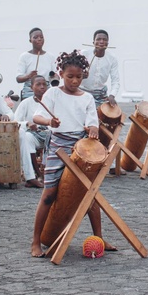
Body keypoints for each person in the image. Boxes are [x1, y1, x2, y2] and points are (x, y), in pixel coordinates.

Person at [30, 50, 113, 258]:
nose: (75, 81)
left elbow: (92, 121)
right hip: (58, 146)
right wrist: (49, 121)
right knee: (49, 194)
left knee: (89, 193)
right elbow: (37, 117)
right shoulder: (53, 93)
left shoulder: (87, 97)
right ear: (60, 74)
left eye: (79, 76)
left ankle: (99, 238)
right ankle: (35, 241)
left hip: (80, 146)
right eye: (70, 76)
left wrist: (92, 129)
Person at [13, 74, 51, 188]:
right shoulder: (26, 103)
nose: (42, 87)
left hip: (50, 134)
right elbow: (15, 122)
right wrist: (27, 124)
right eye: (38, 84)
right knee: (26, 137)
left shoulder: (52, 101)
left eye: (44, 84)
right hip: (35, 135)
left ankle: (50, 174)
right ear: (31, 87)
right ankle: (37, 175)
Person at [80, 29, 120, 107]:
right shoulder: (84, 54)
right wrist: (81, 76)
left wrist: (112, 95)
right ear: (93, 42)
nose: (101, 42)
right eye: (98, 39)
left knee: (113, 113)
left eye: (104, 40)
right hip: (82, 93)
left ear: (107, 43)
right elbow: (72, 73)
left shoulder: (112, 58)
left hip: (101, 95)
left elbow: (115, 80)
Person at [16, 27, 56, 100]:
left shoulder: (50, 56)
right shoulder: (24, 56)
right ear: (30, 40)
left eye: (41, 37)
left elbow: (54, 76)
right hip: (29, 91)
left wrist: (55, 76)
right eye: (35, 37)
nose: (39, 39)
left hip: (46, 91)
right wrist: (29, 76)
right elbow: (18, 78)